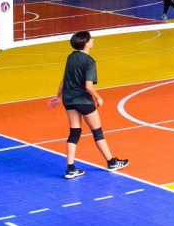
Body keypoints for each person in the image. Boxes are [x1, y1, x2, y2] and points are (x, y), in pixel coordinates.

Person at [47, 30, 129, 179]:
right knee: (97, 132)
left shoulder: (71, 57)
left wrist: (58, 96)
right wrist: (98, 98)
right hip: (83, 101)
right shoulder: (89, 61)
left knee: (75, 133)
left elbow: (65, 79)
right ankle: (112, 162)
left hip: (69, 99)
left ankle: (70, 168)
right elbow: (89, 86)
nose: (93, 40)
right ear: (85, 43)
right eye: (91, 39)